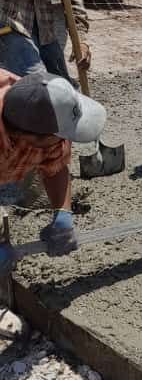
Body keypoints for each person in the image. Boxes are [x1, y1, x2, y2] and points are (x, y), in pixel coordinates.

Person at [0, 68, 107, 276]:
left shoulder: (37, 105)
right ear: (29, 137)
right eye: (59, 136)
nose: (65, 141)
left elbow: (55, 165)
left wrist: (63, 214)